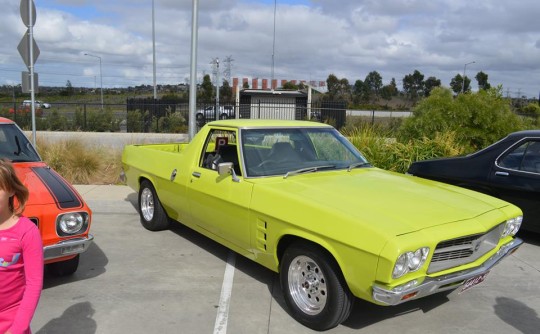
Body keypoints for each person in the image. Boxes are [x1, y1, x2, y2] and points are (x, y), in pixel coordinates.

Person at [0, 159, 43, 334]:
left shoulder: (26, 232)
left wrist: (17, 329)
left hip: (12, 322)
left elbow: (34, 284)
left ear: (11, 190)